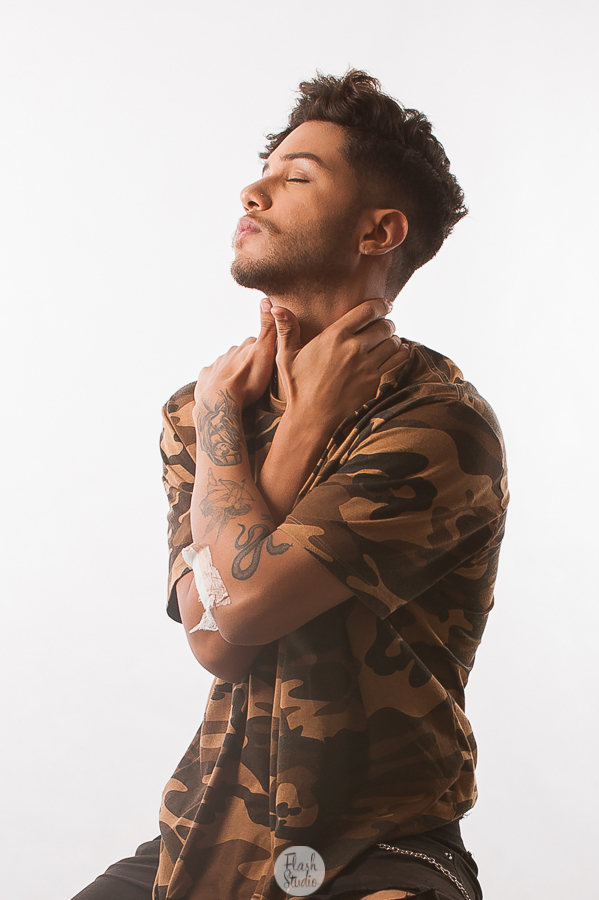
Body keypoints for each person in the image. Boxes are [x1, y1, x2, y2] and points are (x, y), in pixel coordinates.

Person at [73, 70, 508, 900]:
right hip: (202, 834)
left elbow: (237, 611)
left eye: (296, 177)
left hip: (373, 848)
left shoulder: (437, 425)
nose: (254, 191)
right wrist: (230, 416)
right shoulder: (200, 410)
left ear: (379, 230)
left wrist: (267, 429)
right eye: (262, 172)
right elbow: (214, 642)